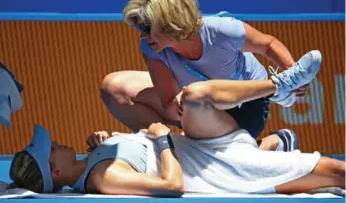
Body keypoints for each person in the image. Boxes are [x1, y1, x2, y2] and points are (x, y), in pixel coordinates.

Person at [8, 65, 344, 197]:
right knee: (336, 172)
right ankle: (274, 114)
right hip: (223, 167)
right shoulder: (102, 179)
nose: (56, 142)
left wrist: (107, 141)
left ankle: (271, 144)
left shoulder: (93, 157)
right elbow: (171, 186)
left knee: (117, 86)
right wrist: (162, 137)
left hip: (204, 144)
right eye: (51, 148)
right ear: (55, 170)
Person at [101, 0, 321, 152]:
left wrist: (292, 70)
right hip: (198, 103)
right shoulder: (151, 48)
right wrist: (180, 107)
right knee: (114, 87)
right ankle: (169, 149)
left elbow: (268, 44)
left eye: (147, 27)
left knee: (198, 100)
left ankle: (278, 111)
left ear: (167, 21)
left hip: (246, 106)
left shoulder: (222, 30)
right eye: (139, 27)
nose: (142, 35)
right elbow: (169, 104)